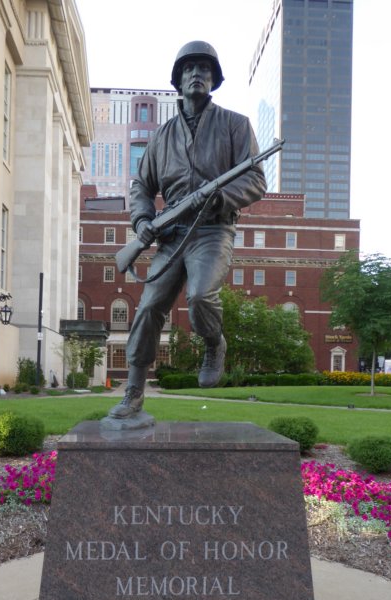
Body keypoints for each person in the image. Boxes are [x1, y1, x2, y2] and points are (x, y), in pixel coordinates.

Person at [109, 41, 267, 419]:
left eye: (205, 70)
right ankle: (133, 393)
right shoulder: (161, 137)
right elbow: (141, 187)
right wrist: (144, 220)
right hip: (171, 235)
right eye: (190, 69)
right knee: (147, 308)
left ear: (213, 80)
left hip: (213, 230)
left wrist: (218, 198)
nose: (198, 74)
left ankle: (214, 344)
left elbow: (256, 180)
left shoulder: (235, 125)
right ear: (178, 80)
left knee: (199, 296)